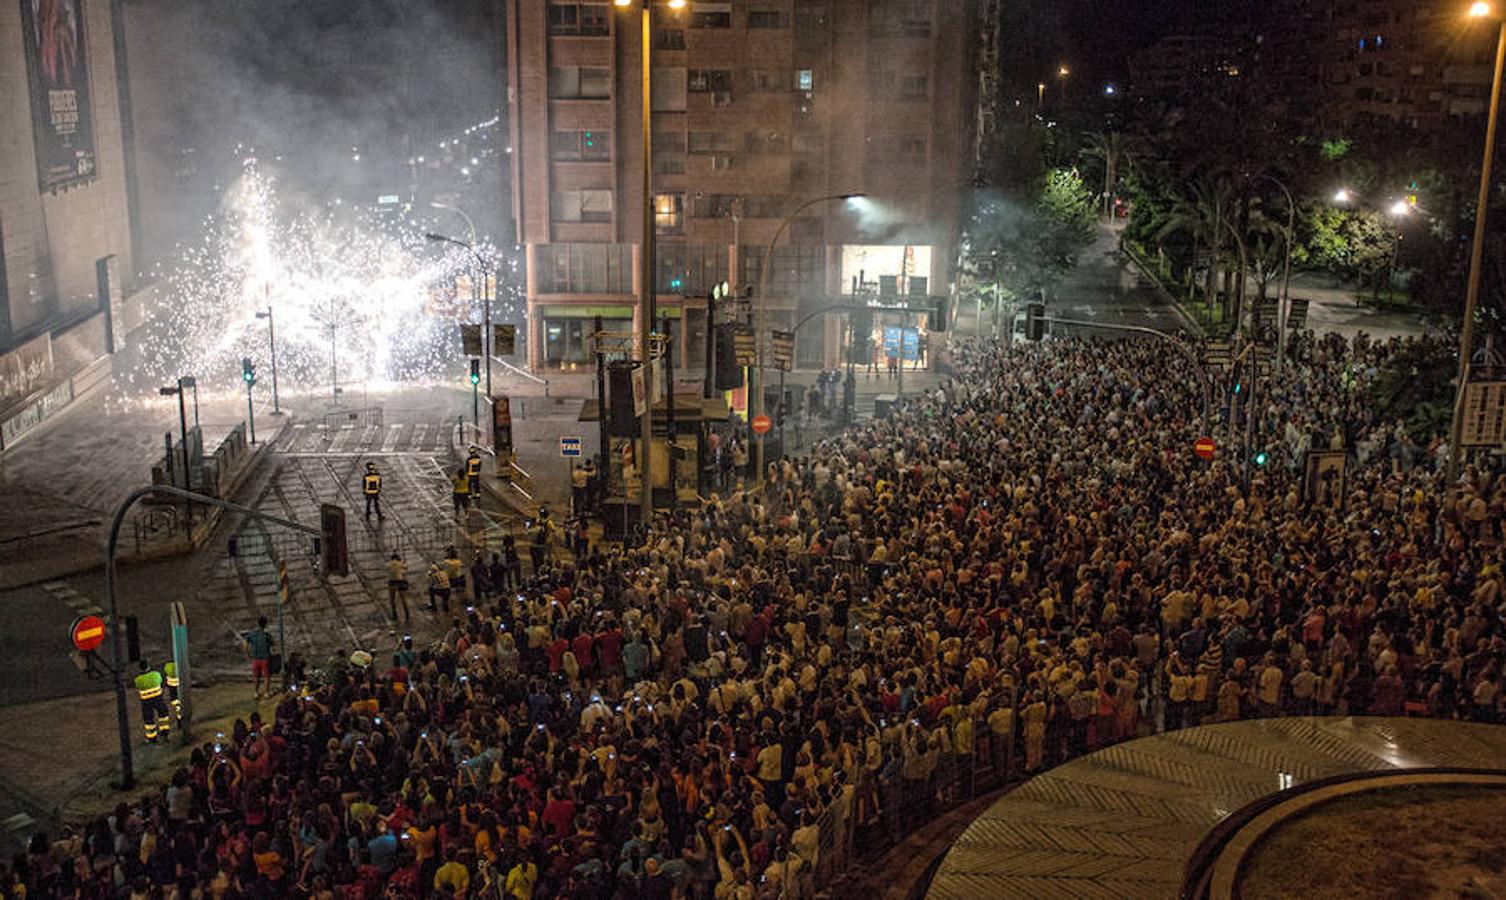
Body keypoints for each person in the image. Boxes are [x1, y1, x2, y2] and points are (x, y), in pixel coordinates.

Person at [133, 659, 170, 744]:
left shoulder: (138, 679)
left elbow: (138, 686)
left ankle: (152, 738)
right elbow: (160, 681)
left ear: (140, 668)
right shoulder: (156, 675)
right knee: (163, 716)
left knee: (149, 720)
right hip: (158, 698)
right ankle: (165, 733)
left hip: (146, 702)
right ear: (148, 666)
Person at [244, 616, 274, 698]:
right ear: (265, 624)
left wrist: (248, 653)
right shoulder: (266, 635)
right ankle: (266, 693)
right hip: (265, 659)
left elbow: (245, 644)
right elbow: (272, 644)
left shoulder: (252, 634)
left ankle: (256, 692)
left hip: (255, 659)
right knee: (267, 676)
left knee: (256, 676)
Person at [386, 552, 410, 622]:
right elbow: (406, 567)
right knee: (403, 599)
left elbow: (387, 569)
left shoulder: (388, 564)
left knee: (392, 599)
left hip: (391, 582)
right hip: (400, 582)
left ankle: (394, 614)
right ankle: (407, 614)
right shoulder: (400, 563)